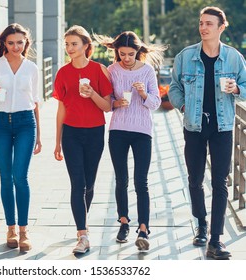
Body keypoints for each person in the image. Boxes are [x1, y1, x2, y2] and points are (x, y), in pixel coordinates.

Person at [168, 6, 246, 260]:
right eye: (201, 23)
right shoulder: (185, 56)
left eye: (209, 24)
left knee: (220, 182)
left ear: (221, 27)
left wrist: (237, 89)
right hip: (194, 126)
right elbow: (174, 87)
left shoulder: (234, 58)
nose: (203, 28)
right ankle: (201, 224)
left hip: (222, 126)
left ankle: (216, 239)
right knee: (195, 178)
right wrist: (183, 106)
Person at [95, 32, 166, 250]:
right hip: (118, 129)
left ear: (138, 52)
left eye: (130, 54)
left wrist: (144, 94)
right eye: (122, 54)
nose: (126, 58)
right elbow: (108, 102)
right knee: (121, 179)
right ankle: (124, 222)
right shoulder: (112, 70)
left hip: (142, 130)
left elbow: (156, 103)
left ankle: (143, 228)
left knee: (141, 182)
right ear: (117, 52)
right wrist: (116, 104)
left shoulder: (147, 71)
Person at [53, 25, 112, 254]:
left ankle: (82, 224)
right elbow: (60, 109)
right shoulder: (63, 73)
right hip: (71, 134)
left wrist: (92, 94)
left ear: (86, 46)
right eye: (67, 44)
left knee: (89, 185)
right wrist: (57, 141)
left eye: (74, 44)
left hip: (95, 132)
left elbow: (108, 106)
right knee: (77, 184)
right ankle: (83, 234)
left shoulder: (99, 70)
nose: (69, 48)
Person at [0, 23, 41, 252]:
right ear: (4, 44)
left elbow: (36, 102)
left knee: (20, 177)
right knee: (6, 178)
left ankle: (24, 231)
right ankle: (11, 228)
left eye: (20, 42)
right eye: (11, 43)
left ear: (26, 43)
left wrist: (39, 136)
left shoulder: (32, 68)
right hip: (0, 125)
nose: (16, 47)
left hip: (26, 123)